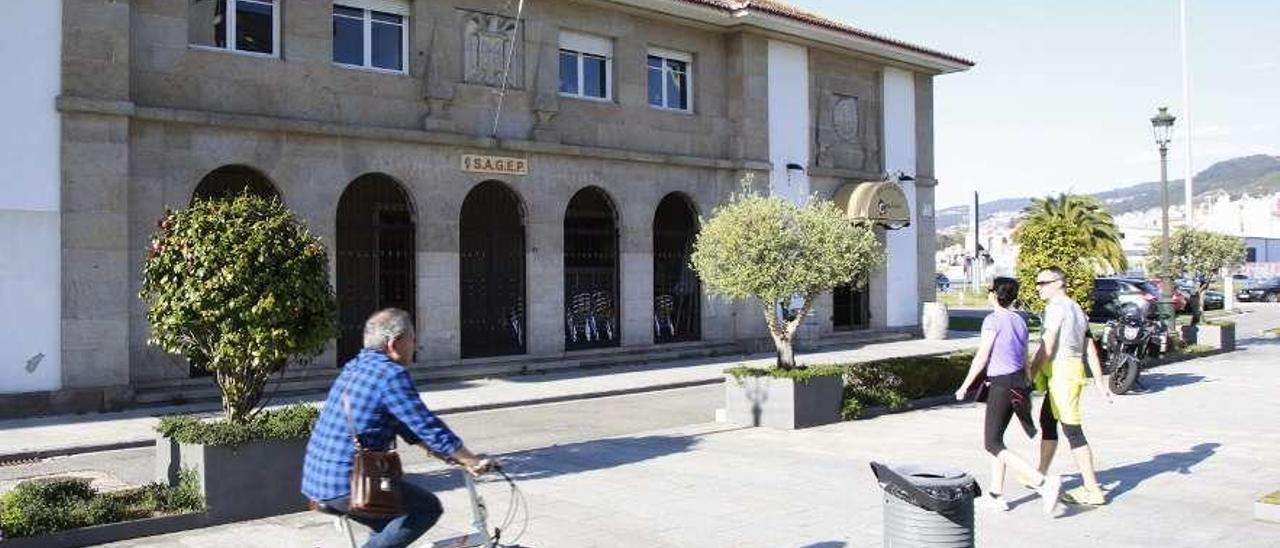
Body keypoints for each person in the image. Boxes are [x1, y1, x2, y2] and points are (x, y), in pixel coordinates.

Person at [302, 308, 494, 548]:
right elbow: (426, 425)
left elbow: (406, 426)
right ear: (394, 344)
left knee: (389, 526)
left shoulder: (355, 366)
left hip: (317, 479)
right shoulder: (390, 374)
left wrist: (448, 456)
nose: (415, 346)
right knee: (426, 508)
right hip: (347, 482)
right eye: (413, 340)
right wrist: (471, 460)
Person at [955, 277, 1062, 515]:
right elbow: (1025, 356)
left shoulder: (992, 320)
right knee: (998, 440)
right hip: (1018, 383)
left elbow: (982, 356)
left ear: (994, 294)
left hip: (1002, 384)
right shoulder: (1020, 320)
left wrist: (964, 386)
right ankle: (996, 494)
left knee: (991, 443)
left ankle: (1043, 482)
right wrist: (1027, 381)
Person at [1027, 267, 1111, 507]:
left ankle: (1092, 489)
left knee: (1073, 431)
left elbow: (1048, 346)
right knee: (1047, 421)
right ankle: (1039, 474)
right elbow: (1090, 350)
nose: (1038, 287)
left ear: (1057, 283)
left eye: (1042, 282)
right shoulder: (1077, 309)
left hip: (1062, 373)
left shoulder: (1056, 308)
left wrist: (1030, 374)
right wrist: (1099, 382)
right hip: (1068, 372)